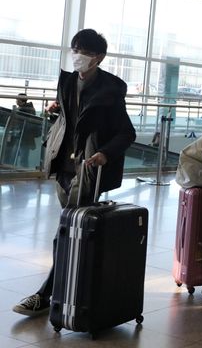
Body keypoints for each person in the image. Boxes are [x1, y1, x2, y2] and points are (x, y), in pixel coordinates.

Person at [12, 29, 136, 317]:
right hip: (63, 165)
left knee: (66, 231)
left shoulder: (112, 88)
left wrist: (105, 153)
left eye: (85, 51)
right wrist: (56, 112)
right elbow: (70, 118)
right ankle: (71, 289)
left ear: (99, 57)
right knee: (74, 231)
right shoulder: (67, 82)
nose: (77, 55)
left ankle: (46, 295)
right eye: (75, 49)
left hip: (88, 167)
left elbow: (126, 131)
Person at [3, 93, 37, 166]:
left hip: (23, 136)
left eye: (17, 99)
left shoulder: (24, 110)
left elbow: (19, 122)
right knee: (21, 156)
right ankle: (19, 171)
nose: (16, 101)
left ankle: (20, 172)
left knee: (20, 157)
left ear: (21, 101)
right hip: (22, 136)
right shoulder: (28, 109)